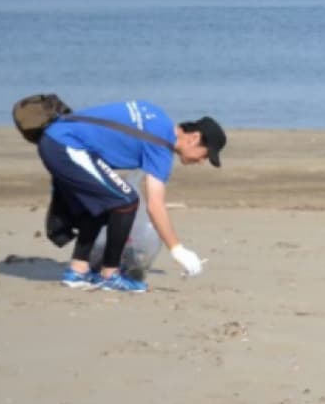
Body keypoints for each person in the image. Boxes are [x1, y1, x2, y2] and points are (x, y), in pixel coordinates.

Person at [38, 100, 227, 292]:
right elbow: (155, 205)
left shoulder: (158, 118)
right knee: (126, 202)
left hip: (57, 138)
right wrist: (178, 250)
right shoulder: (162, 145)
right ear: (194, 138)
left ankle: (78, 271)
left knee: (109, 200)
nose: (202, 162)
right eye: (205, 155)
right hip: (66, 145)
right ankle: (110, 275)